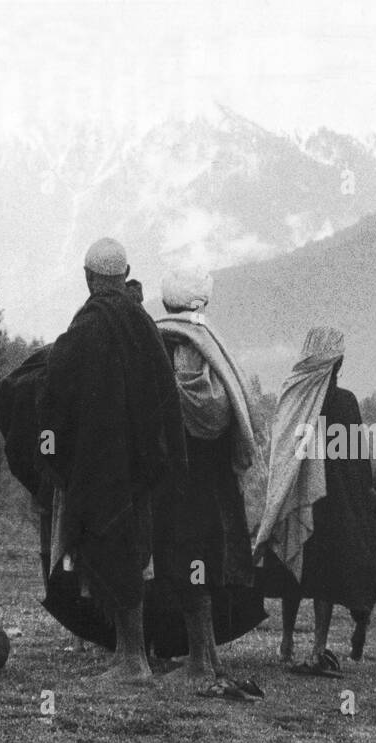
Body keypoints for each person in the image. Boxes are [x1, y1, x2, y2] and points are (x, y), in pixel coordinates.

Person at [34, 237, 187, 684]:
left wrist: (50, 439)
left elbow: (57, 386)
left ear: (87, 278)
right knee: (132, 552)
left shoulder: (89, 324)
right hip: (142, 466)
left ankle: (134, 661)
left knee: (113, 552)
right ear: (125, 274)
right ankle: (125, 653)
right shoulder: (143, 323)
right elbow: (164, 395)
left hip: (102, 467)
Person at [152, 267, 267, 680]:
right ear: (202, 299)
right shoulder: (213, 342)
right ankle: (208, 655)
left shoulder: (161, 341)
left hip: (180, 476)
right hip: (215, 476)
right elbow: (232, 408)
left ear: (167, 300)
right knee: (206, 560)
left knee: (185, 563)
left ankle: (200, 660)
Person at [253, 327, 376, 676]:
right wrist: (364, 494)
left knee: (292, 570)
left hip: (294, 497)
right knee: (324, 576)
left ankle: (285, 643)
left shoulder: (292, 394)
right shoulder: (344, 401)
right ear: (338, 361)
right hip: (334, 503)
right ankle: (318, 645)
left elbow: (281, 452)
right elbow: (356, 457)